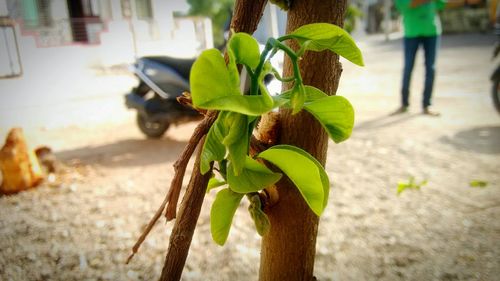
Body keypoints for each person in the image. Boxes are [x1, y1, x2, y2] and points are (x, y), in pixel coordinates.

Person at [394, 0, 465, 116]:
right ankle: (404, 104)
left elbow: (443, 3)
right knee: (408, 68)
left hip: (431, 31)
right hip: (411, 32)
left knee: (431, 69)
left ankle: (427, 105)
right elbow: (406, 5)